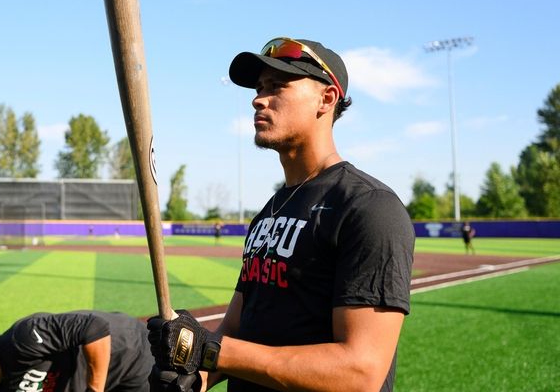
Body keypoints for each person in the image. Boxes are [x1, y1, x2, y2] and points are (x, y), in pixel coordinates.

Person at [146, 37, 415, 392]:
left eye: (278, 87)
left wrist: (211, 351)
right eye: (259, 88)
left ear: (327, 98)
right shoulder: (268, 213)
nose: (258, 98)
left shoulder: (369, 207)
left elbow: (360, 371)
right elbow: (237, 330)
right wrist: (195, 378)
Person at [0, 310, 154, 392]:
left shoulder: (21, 339)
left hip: (131, 351)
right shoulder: (3, 386)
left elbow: (94, 328)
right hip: (110, 380)